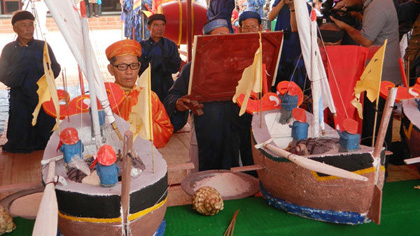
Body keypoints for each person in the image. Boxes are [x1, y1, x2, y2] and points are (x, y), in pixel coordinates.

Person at [164, 19, 255, 172]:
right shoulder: (193, 68)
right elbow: (172, 96)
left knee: (238, 175)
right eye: (218, 36)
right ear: (206, 40)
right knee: (205, 177)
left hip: (236, 130)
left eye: (227, 36)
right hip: (206, 129)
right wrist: (178, 103)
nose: (224, 41)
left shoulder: (242, 65)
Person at [0, 11, 61, 153]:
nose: (29, 29)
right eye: (23, 25)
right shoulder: (9, 49)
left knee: (47, 136)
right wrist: (20, 71)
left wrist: (43, 71)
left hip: (42, 96)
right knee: (20, 140)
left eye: (31, 25)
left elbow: (55, 68)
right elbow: (2, 73)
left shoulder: (42, 46)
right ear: (15, 29)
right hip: (20, 96)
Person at [105, 39, 173, 148]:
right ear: (111, 70)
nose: (129, 72)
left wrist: (144, 124)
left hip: (144, 157)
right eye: (122, 66)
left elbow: (166, 131)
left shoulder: (150, 97)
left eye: (133, 65)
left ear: (139, 66)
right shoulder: (104, 97)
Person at [267, 0, 310, 91]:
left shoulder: (305, 7)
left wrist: (292, 8)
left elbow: (294, 27)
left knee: (293, 73)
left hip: (295, 44)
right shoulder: (279, 3)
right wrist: (282, 2)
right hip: (281, 43)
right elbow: (270, 17)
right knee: (278, 71)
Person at [138, 14, 181, 102]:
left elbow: (175, 67)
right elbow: (139, 68)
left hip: (167, 88)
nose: (160, 28)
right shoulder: (141, 46)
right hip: (147, 87)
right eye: (156, 25)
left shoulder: (171, 45)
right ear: (148, 27)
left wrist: (161, 61)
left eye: (162, 25)